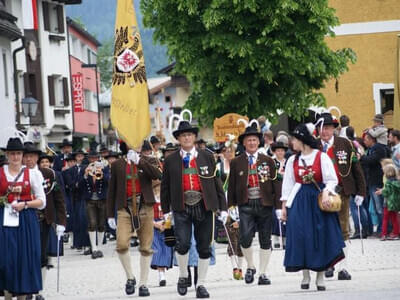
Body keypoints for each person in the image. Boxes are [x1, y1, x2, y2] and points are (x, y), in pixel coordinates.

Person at [161, 120, 227, 298]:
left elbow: (216, 183)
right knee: (182, 244)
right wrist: (165, 210)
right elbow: (165, 187)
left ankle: (201, 284)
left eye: (189, 135)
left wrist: (223, 207)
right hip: (181, 207)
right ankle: (183, 275)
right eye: (183, 135)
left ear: (195, 137)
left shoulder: (207, 156)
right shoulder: (170, 160)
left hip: (204, 206)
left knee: (204, 247)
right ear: (178, 139)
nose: (187, 138)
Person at [281, 123, 345, 291]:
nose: (292, 143)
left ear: (302, 140)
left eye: (294, 139)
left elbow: (332, 179)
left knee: (319, 236)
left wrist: (326, 192)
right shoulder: (292, 160)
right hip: (299, 201)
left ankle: (320, 276)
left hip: (318, 201)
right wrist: (284, 207)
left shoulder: (321, 157)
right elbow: (287, 185)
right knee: (301, 236)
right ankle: (305, 274)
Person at [228, 123, 281, 286]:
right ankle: (250, 266)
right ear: (244, 143)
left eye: (254, 140)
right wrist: (231, 207)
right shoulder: (236, 162)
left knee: (265, 239)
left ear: (259, 142)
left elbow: (276, 185)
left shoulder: (268, 161)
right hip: (245, 204)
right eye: (248, 140)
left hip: (265, 203)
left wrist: (278, 207)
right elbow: (231, 186)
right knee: (244, 237)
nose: (251, 143)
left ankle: (263, 273)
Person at [107, 141, 162, 297]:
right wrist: (110, 214)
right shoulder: (117, 164)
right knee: (121, 244)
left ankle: (143, 283)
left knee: (146, 247)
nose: (136, 146)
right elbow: (112, 190)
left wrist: (140, 161)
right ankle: (130, 277)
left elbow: (158, 175)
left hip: (145, 205)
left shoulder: (149, 160)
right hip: (125, 208)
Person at [316, 112, 366, 280]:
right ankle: (329, 264)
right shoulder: (314, 146)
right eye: (322, 128)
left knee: (342, 228)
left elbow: (356, 169)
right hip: (319, 193)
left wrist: (361, 191)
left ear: (334, 129)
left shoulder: (345, 143)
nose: (325, 132)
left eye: (328, 128)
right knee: (323, 229)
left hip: (341, 191)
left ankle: (343, 268)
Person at [0, 137, 46, 299]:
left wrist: (25, 204)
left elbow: (42, 202)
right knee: (5, 259)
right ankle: (6, 294)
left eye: (18, 153)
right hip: (4, 219)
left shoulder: (32, 174)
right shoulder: (0, 173)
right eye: (12, 153)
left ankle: (22, 296)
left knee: (24, 259)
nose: (15, 157)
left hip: (26, 220)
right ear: (7, 155)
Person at [23, 143, 66, 300]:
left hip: (43, 220)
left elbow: (58, 198)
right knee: (26, 255)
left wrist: (61, 222)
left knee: (41, 255)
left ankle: (38, 290)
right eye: (26, 156)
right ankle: (27, 289)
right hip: (22, 221)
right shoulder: (17, 174)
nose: (29, 159)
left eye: (33, 156)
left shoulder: (48, 174)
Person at [217, 143, 244, 280]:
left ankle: (241, 265)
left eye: (231, 151)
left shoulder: (239, 165)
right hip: (225, 203)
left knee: (241, 235)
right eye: (226, 151)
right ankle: (235, 267)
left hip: (238, 201)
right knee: (231, 236)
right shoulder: (219, 167)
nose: (228, 153)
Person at [80, 151, 110, 259]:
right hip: (89, 200)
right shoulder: (85, 168)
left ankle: (100, 247)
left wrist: (101, 173)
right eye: (91, 158)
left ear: (98, 158)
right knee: (92, 223)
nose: (93, 160)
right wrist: (85, 175)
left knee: (101, 224)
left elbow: (109, 181)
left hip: (102, 199)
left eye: (95, 158)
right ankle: (94, 248)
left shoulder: (105, 167)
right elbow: (79, 184)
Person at [360, 131, 387, 235]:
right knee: (375, 208)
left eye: (366, 139)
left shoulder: (378, 149)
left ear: (372, 140)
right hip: (371, 181)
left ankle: (383, 230)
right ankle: (381, 229)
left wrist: (362, 156)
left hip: (377, 181)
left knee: (379, 207)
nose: (364, 141)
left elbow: (371, 160)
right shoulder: (371, 149)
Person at [270, 141, 288, 249]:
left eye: (282, 150)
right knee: (275, 215)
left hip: (286, 190)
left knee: (286, 214)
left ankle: (285, 238)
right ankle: (276, 237)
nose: (280, 152)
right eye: (278, 151)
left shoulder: (288, 162)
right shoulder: (272, 162)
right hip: (275, 190)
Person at [375, 163, 400, 240]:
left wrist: (381, 192)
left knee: (385, 218)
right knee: (394, 218)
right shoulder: (397, 182)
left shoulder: (388, 182)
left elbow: (387, 192)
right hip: (395, 204)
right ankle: (396, 233)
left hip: (388, 203)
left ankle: (384, 234)